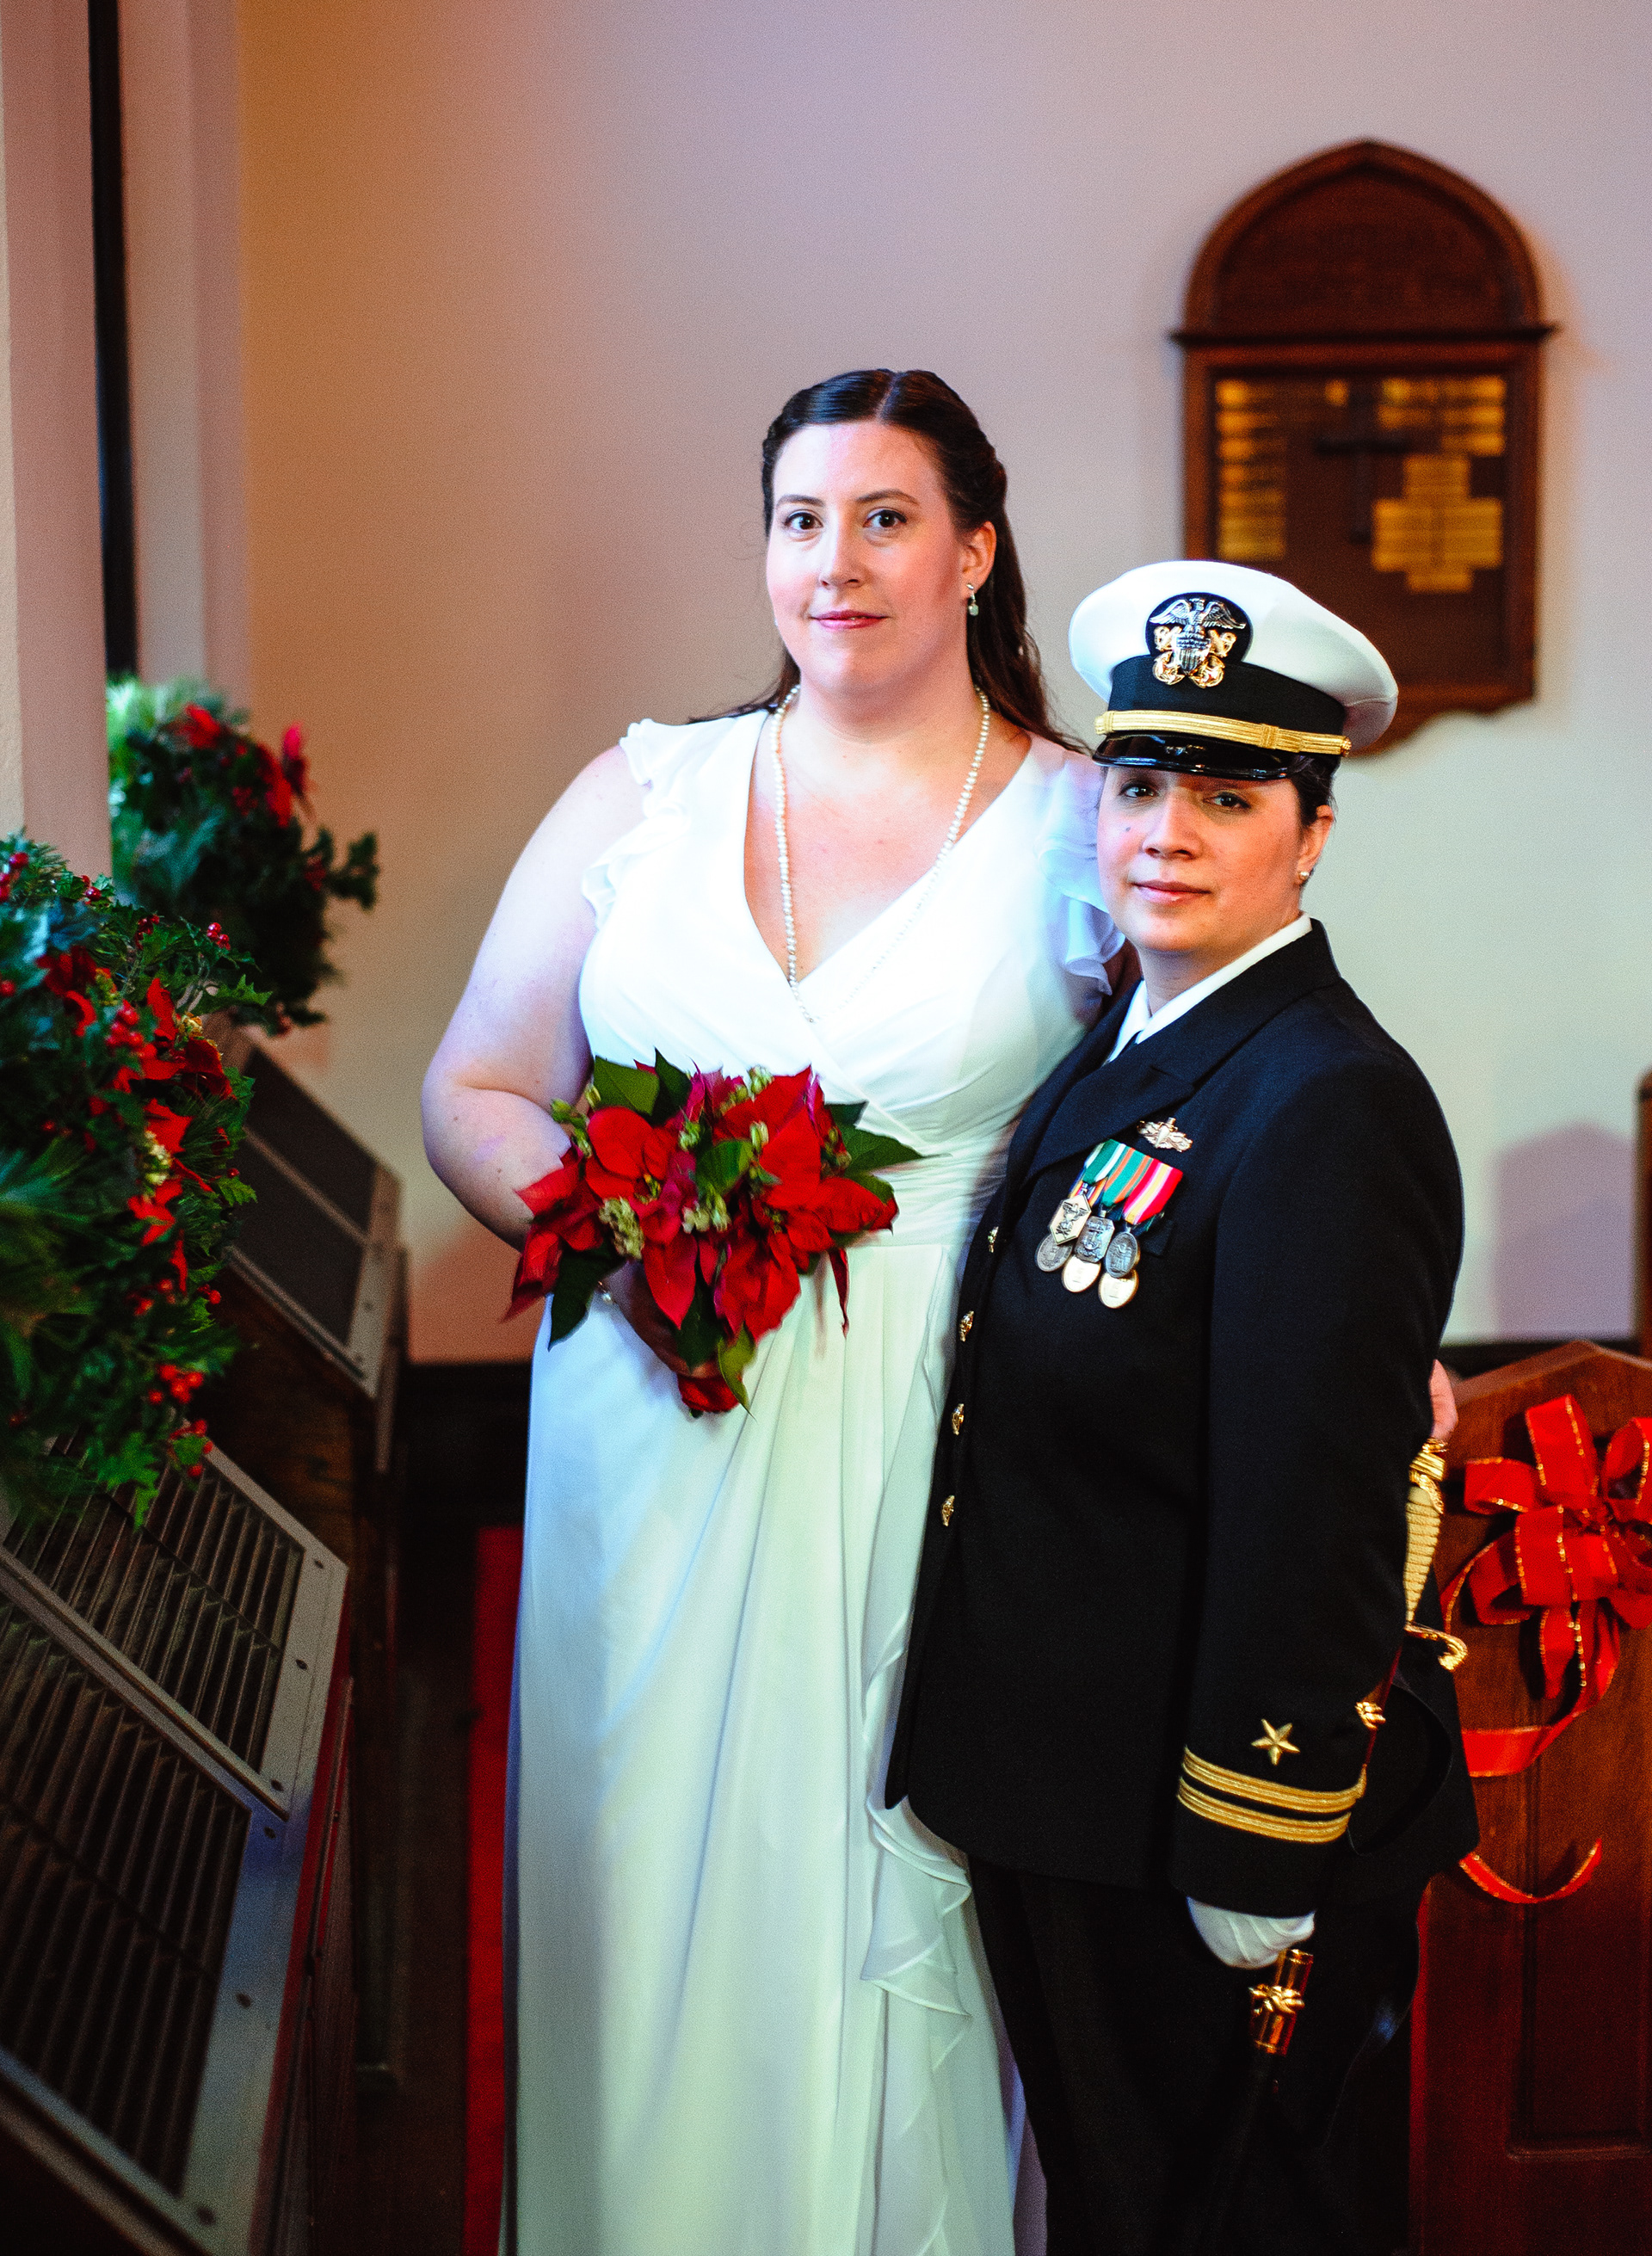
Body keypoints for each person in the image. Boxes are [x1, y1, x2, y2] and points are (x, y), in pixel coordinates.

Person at [422, 368, 1125, 2255]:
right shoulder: (646, 792)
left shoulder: (1083, 827)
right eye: (802, 520)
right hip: (651, 1422)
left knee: (880, 1889)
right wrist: (635, 1232)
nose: (839, 563)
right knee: (645, 1876)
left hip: (934, 1438)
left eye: (887, 518)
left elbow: (1211, 1119)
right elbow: (475, 1086)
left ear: (974, 553)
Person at [886, 561, 1480, 2255]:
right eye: (1141, 786)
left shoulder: (1327, 1099)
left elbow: (1315, 1511)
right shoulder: (1144, 1034)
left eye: (1230, 797)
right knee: (1121, 2205)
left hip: (1196, 1818)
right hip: (1075, 1785)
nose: (1169, 832)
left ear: (1313, 831)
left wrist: (1257, 1841)